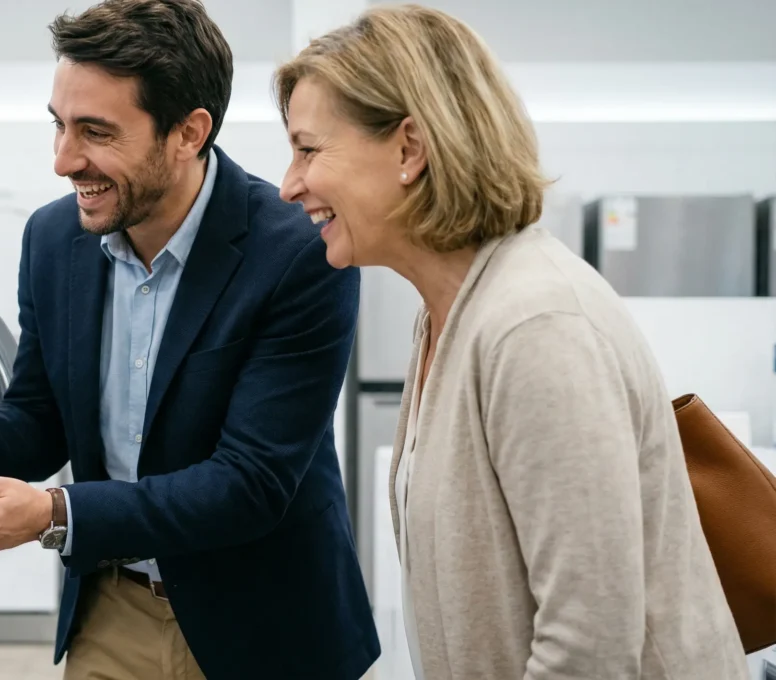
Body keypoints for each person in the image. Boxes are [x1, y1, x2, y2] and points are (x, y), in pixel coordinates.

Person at [0, 1, 380, 678]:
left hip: (264, 621)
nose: (63, 160)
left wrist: (54, 513)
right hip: (114, 607)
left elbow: (249, 483)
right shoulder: (54, 240)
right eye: (59, 124)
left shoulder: (296, 252)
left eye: (96, 132)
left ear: (188, 132)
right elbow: (39, 425)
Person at [273, 5, 750, 679]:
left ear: (409, 149)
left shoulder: (536, 325)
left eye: (308, 150)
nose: (289, 185)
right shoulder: (446, 315)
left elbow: (588, 648)